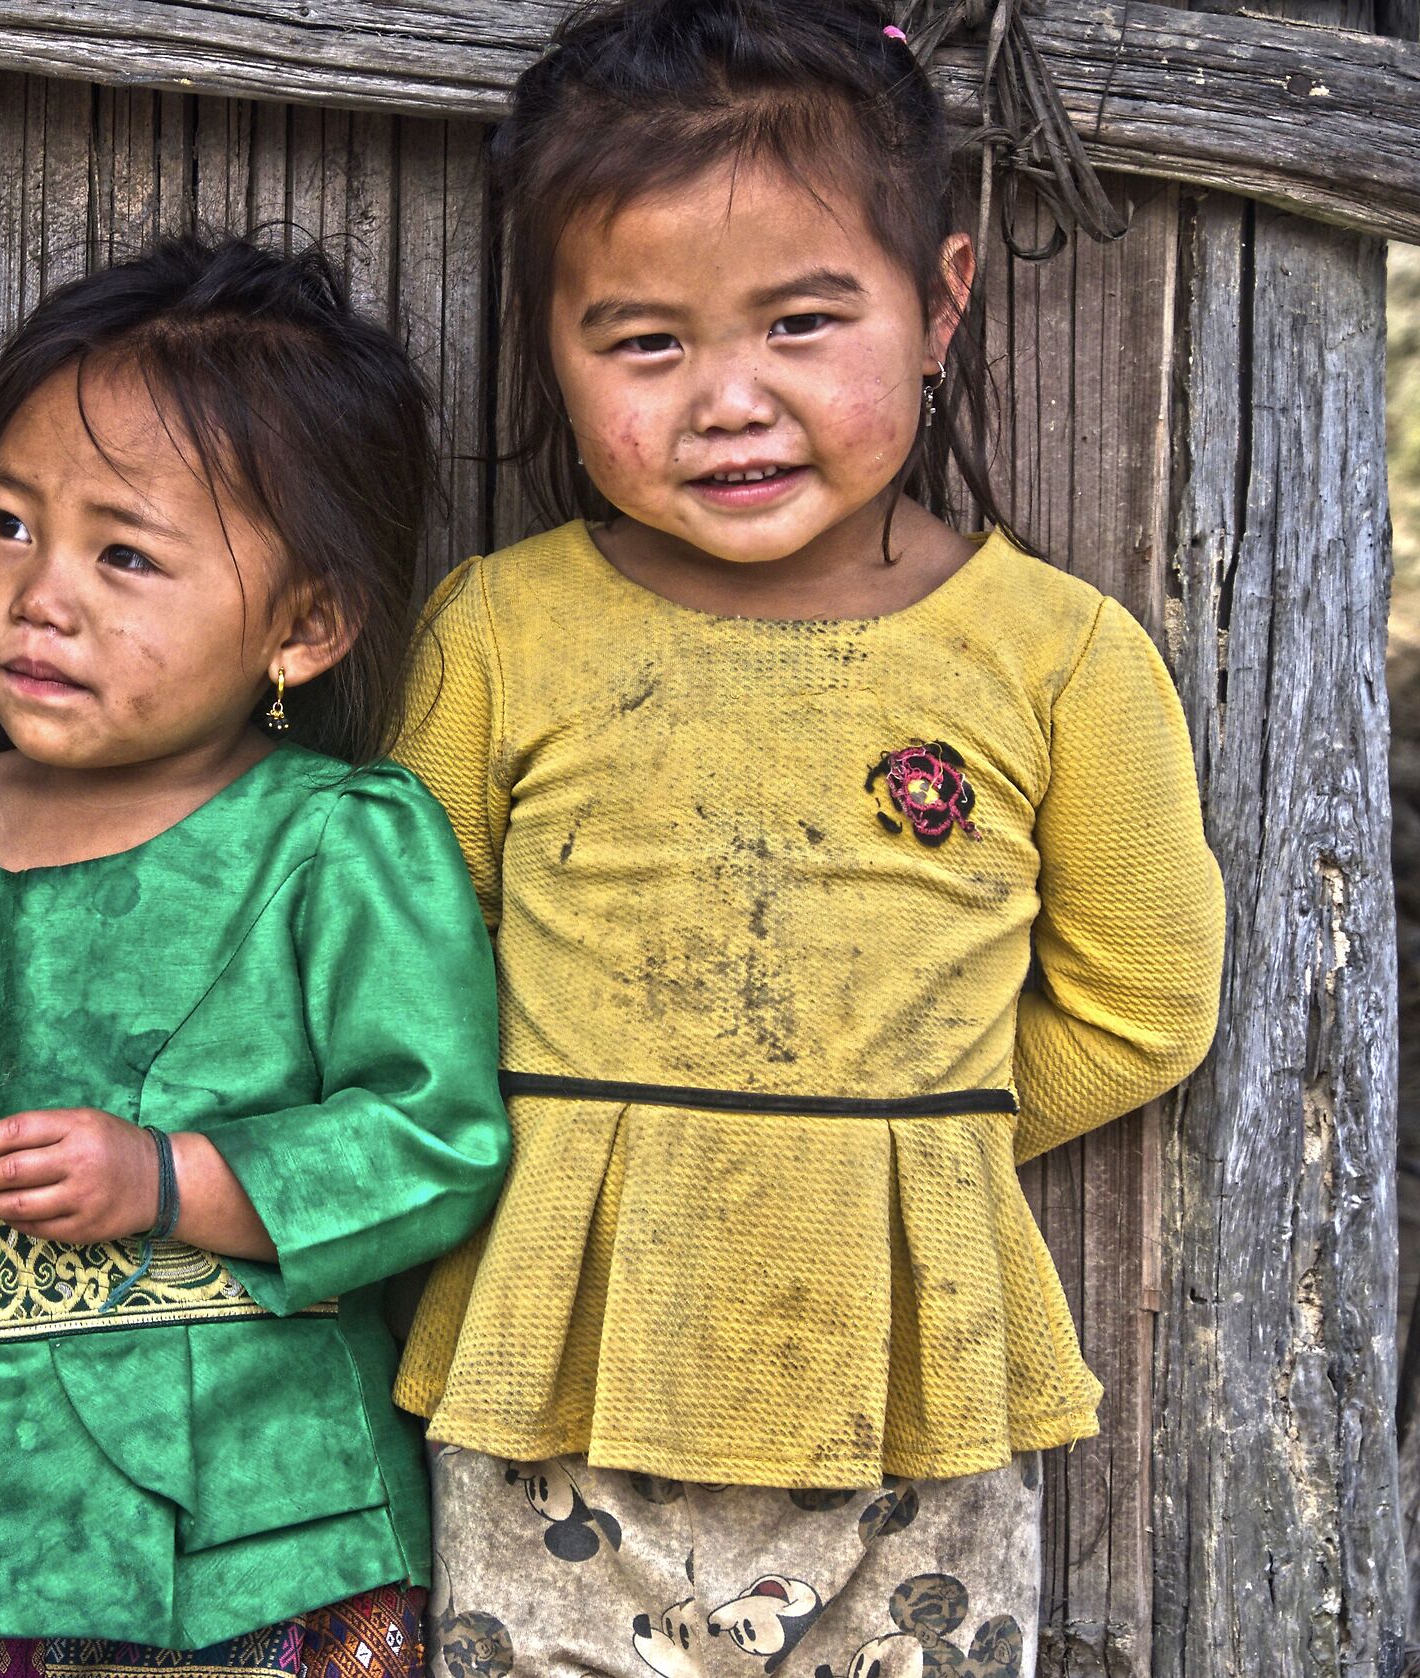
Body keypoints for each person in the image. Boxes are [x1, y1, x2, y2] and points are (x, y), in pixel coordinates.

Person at [391, 6, 1225, 1674]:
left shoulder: (1057, 659)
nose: (730, 401)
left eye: (800, 320)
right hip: (559, 1376)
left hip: (908, 1383)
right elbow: (404, 975)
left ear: (944, 301)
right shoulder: (498, 635)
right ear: (548, 343)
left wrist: (881, 1147)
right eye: (644, 344)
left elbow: (1144, 1002)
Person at [0, 234, 511, 1678]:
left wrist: (166, 1180)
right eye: (9, 524)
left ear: (305, 628)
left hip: (275, 1531)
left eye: (126, 553)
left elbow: (437, 1135)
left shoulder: (332, 841)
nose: (42, 593)